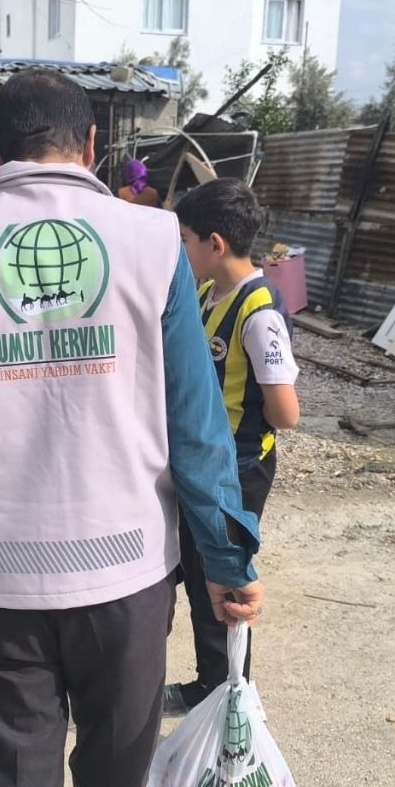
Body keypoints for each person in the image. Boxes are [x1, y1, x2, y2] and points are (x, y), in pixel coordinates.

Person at [0, 68, 266, 787]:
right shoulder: (153, 240)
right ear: (90, 143)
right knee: (114, 776)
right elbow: (197, 421)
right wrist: (226, 560)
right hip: (127, 571)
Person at [164, 177, 301, 714]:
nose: (181, 252)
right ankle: (212, 682)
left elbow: (285, 413)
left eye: (184, 241)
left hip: (239, 469)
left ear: (214, 244)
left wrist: (241, 423)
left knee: (219, 578)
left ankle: (228, 693)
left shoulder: (259, 311)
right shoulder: (203, 293)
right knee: (196, 573)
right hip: (203, 463)